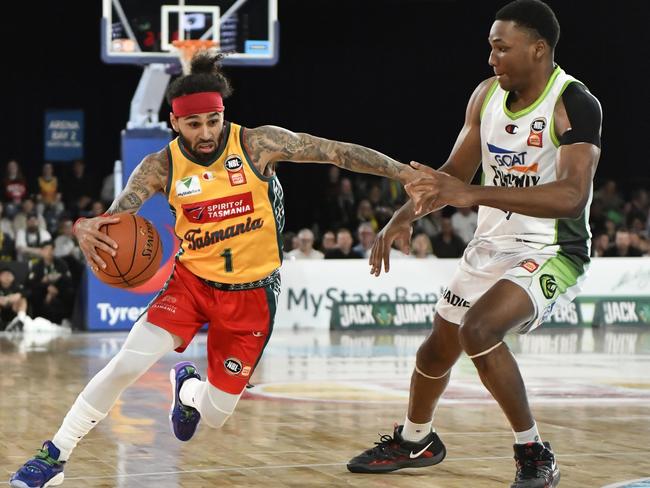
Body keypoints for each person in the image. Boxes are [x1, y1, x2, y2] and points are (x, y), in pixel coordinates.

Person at [9, 50, 417, 488]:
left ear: (223, 115)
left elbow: (336, 153)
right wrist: (83, 225)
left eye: (213, 121)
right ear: (174, 122)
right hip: (190, 284)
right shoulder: (160, 166)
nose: (205, 133)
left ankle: (186, 390)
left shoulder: (258, 144)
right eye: (193, 124)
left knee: (218, 414)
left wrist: (403, 173)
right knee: (125, 363)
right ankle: (55, 456)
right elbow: (113, 220)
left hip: (253, 296)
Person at [347, 2, 601, 487]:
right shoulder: (486, 96)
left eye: (501, 49)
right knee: (433, 353)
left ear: (538, 49)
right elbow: (452, 176)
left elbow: (572, 197)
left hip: (552, 250)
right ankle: (416, 438)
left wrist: (472, 193)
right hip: (492, 243)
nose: (492, 59)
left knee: (479, 331)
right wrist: (401, 218)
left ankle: (534, 452)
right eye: (491, 48)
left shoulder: (573, 102)